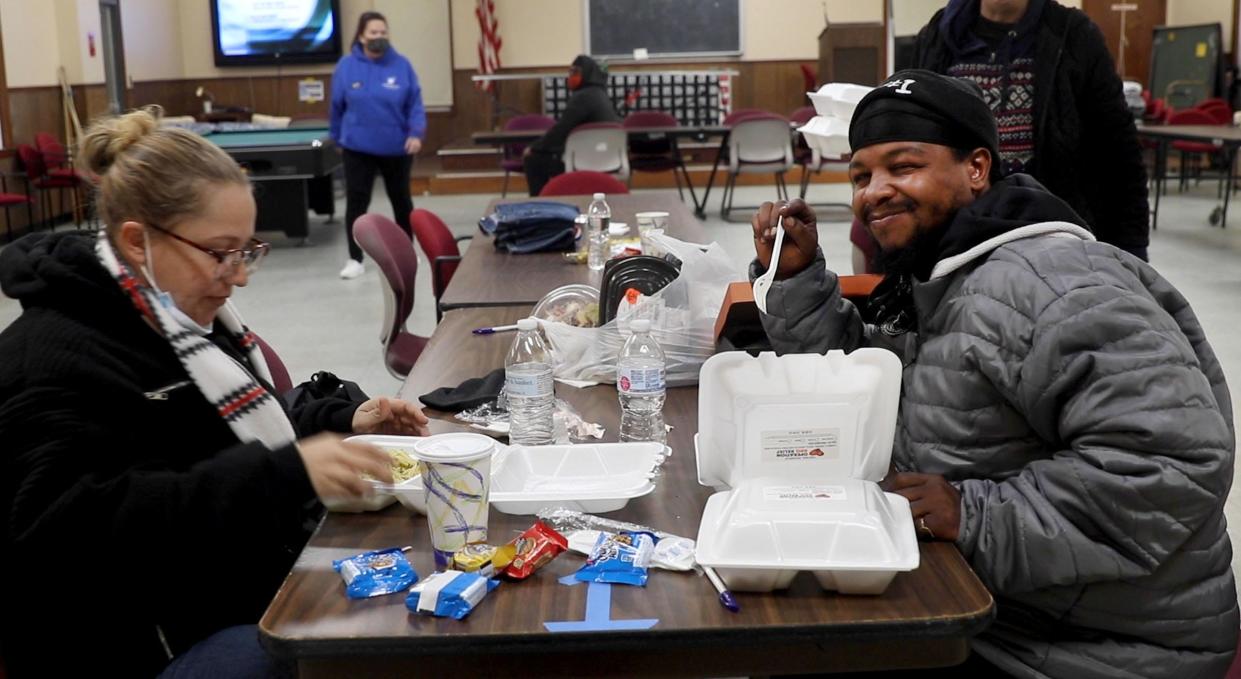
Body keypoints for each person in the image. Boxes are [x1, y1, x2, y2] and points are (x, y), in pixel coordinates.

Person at [751, 71, 1237, 678]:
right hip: (1000, 604)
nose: (873, 192)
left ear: (977, 168)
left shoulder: (1053, 284)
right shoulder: (939, 271)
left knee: (782, 645)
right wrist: (796, 281)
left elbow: (1172, 465)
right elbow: (867, 387)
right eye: (861, 175)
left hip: (1093, 644)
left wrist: (975, 513)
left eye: (903, 167)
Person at [0, 108, 431, 678]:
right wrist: (283, 474)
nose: (241, 275)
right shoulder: (53, 356)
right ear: (137, 242)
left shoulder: (178, 323)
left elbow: (219, 432)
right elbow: (61, 537)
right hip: (144, 644)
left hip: (231, 589)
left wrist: (345, 417)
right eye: (221, 252)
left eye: (247, 251)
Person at [911, 0, 1150, 261]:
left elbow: (1119, 150)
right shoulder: (938, 36)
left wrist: (1132, 246)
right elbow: (913, 134)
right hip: (958, 242)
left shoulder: (1074, 34)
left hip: (1053, 239)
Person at [330, 11, 426, 279]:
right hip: (357, 148)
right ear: (361, 36)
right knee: (356, 203)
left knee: (402, 202)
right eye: (373, 33)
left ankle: (407, 253)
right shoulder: (347, 66)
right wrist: (337, 138)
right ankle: (354, 258)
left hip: (397, 147)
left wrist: (416, 133)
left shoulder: (402, 65)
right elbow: (336, 107)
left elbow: (415, 104)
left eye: (383, 32)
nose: (378, 37)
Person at [522, 55, 621, 196]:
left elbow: (561, 129)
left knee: (533, 159)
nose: (571, 76)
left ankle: (539, 203)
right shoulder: (600, 94)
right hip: (607, 159)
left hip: (583, 160)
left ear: (586, 74)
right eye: (570, 72)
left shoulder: (582, 97)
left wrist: (535, 147)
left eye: (576, 72)